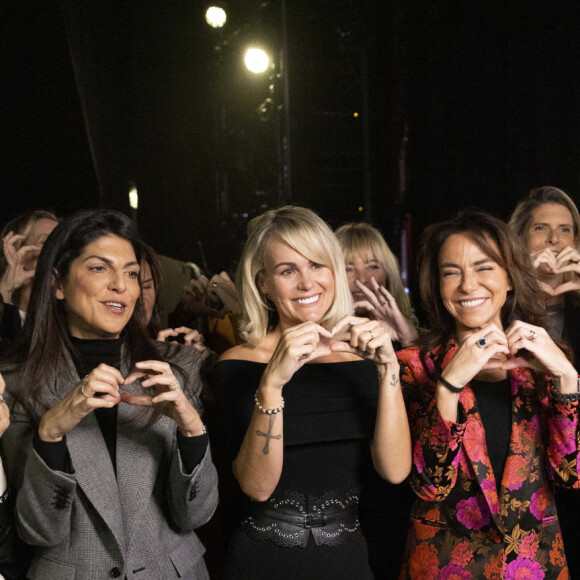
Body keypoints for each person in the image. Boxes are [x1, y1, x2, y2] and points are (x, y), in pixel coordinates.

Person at [2, 209, 218, 579]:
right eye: (99, 268)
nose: (121, 285)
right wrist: (50, 433)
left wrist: (191, 429)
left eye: (132, 273)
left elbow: (196, 515)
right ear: (58, 283)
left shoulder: (178, 366)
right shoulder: (18, 378)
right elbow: (38, 531)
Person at [214, 206, 409, 580]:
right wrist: (271, 383)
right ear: (263, 283)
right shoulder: (239, 364)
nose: (307, 283)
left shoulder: (364, 360)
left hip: (347, 561)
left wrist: (388, 368)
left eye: (317, 265)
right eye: (288, 270)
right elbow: (256, 487)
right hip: (262, 563)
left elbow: (396, 471)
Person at [397, 209, 579, 578]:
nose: (467, 285)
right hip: (444, 567)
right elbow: (431, 485)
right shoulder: (415, 366)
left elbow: (573, 474)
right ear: (437, 283)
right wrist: (449, 386)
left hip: (534, 567)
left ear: (510, 278)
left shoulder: (544, 360)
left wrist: (566, 375)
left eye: (484, 268)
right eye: (452, 272)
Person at [509, 186, 580, 578]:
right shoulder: (497, 305)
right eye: (541, 228)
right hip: (525, 484)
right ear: (519, 240)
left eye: (565, 230)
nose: (554, 239)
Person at [335, 222, 418, 348]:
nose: (362, 279)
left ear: (388, 274)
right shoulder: (317, 339)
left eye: (372, 267)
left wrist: (410, 340)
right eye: (348, 269)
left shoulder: (419, 336)